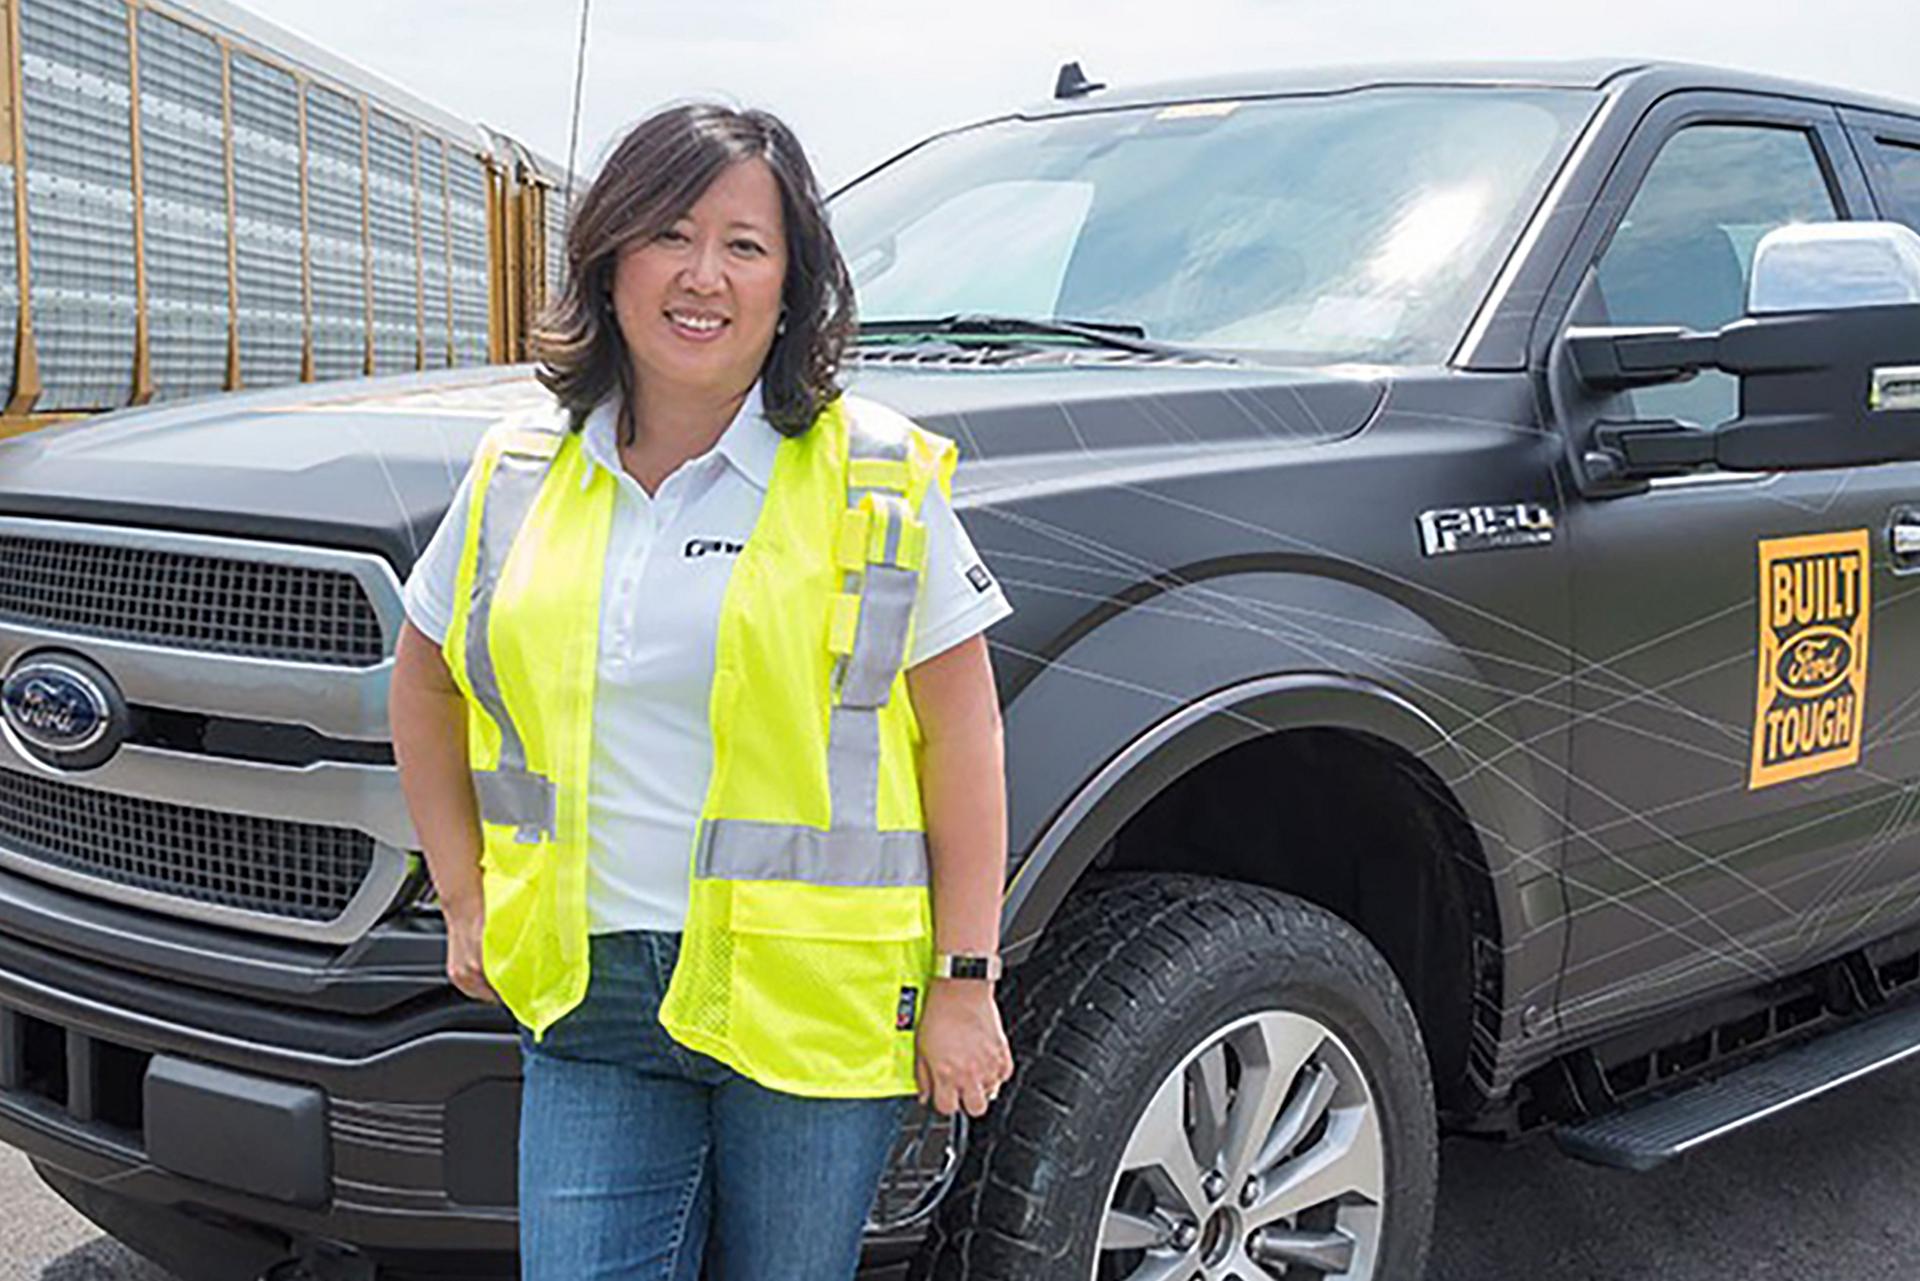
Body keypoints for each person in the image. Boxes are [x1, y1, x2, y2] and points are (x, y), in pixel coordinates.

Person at [387, 102, 1015, 1280]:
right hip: (591, 994)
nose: (704, 275)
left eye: (745, 244)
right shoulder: (519, 473)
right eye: (671, 233)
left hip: (813, 1010)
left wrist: (965, 981)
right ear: (611, 258)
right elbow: (425, 684)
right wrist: (463, 894)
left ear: (792, 284)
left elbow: (961, 733)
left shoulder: (875, 474)